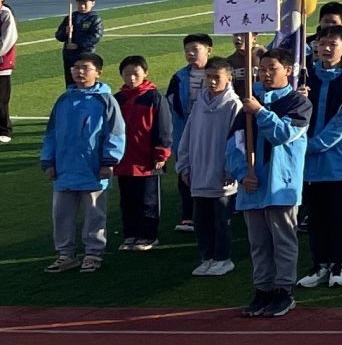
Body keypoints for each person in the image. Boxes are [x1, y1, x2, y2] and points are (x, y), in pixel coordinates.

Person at [231, 47, 312, 318]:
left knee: (283, 239)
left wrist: (261, 112)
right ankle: (262, 289)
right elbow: (234, 144)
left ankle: (284, 290)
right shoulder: (247, 104)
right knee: (258, 242)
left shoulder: (297, 103)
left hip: (281, 183)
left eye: (271, 69)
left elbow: (283, 134)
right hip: (252, 185)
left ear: (287, 70)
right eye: (261, 69)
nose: (265, 74)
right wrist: (242, 173)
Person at [298, 30, 342, 289]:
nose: (326, 49)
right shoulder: (307, 74)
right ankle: (320, 264)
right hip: (311, 162)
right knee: (316, 216)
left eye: (332, 44)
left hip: (340, 161)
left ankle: (340, 263)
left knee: (340, 214)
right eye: (322, 44)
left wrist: (314, 144)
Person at [40, 52, 123, 272]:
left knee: (94, 214)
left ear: (98, 72)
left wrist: (108, 161)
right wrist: (48, 161)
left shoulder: (105, 100)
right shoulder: (64, 99)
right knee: (61, 215)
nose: (79, 71)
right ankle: (66, 254)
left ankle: (93, 253)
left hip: (93, 169)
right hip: (65, 169)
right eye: (76, 67)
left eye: (85, 67)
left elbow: (115, 133)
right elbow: (51, 133)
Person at [179, 55, 242, 275]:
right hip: (199, 171)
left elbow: (237, 141)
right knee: (201, 220)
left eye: (217, 77)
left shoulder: (234, 105)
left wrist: (230, 168)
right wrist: (184, 165)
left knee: (220, 220)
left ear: (229, 78)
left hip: (221, 174)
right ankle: (207, 257)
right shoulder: (199, 104)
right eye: (209, 77)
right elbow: (187, 136)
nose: (212, 81)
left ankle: (223, 258)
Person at [108, 54, 172, 252]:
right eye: (127, 74)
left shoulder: (153, 97)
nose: (132, 78)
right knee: (127, 200)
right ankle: (130, 234)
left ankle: (148, 236)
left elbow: (164, 126)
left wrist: (161, 153)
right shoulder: (117, 99)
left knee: (148, 200)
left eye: (136, 74)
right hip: (125, 159)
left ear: (145, 73)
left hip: (147, 160)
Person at [55, 0, 101, 85]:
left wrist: (78, 45)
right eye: (80, 3)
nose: (82, 6)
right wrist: (66, 32)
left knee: (85, 80)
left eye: (85, 3)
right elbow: (59, 36)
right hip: (69, 56)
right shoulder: (71, 18)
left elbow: (95, 37)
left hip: (86, 54)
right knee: (71, 81)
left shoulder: (94, 19)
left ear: (92, 3)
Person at [0, 0, 18, 143]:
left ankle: (5, 129)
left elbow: (8, 39)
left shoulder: (6, 14)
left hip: (2, 65)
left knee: (1, 99)